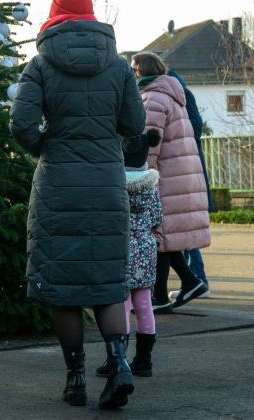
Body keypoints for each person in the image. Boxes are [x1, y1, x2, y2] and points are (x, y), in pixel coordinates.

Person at [10, 0, 146, 410]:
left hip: (58, 185)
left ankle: (75, 380)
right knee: (106, 282)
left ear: (54, 21)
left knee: (62, 286)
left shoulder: (40, 65)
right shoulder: (119, 67)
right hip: (107, 183)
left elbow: (21, 124)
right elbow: (134, 124)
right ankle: (119, 362)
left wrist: (46, 148)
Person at [132, 52, 211, 313]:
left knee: (159, 237)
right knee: (163, 237)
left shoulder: (153, 97)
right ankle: (186, 284)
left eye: (134, 68)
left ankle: (166, 294)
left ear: (142, 70)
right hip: (178, 175)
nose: (131, 73)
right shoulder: (172, 94)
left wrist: (144, 178)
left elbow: (150, 145)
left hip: (164, 177)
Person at [96, 129, 163, 379]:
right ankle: (144, 360)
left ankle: (117, 360)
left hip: (120, 249)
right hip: (146, 249)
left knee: (121, 307)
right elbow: (157, 218)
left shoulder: (114, 186)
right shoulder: (151, 187)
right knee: (145, 306)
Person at [167, 69, 212, 296]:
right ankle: (195, 279)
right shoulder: (179, 92)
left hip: (183, 170)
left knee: (184, 229)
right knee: (183, 229)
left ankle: (197, 279)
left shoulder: (181, 94)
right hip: (184, 169)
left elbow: (195, 127)